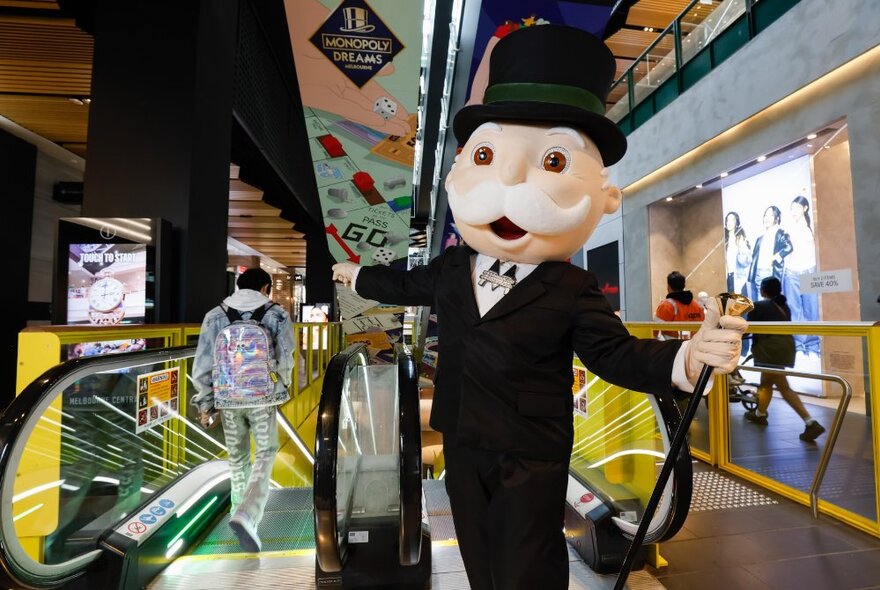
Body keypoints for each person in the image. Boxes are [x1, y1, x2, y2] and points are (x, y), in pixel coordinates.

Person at [331, 25, 746, 590]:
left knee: (529, 564)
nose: (507, 181)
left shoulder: (570, 288)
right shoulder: (454, 267)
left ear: (605, 199)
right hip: (462, 435)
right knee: (480, 556)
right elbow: (410, 286)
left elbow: (614, 354)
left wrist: (687, 360)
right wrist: (360, 275)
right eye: (486, 154)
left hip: (532, 451)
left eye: (552, 161)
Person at [191, 268, 296, 552]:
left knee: (237, 457)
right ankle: (248, 515)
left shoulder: (215, 314)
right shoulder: (276, 314)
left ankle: (239, 512)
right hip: (262, 398)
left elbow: (202, 363)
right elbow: (286, 358)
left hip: (227, 398)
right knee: (265, 453)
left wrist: (205, 403)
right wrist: (279, 386)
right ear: (266, 287)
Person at [744, 277, 825, 442]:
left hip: (769, 349)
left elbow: (747, 328)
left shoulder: (758, 306)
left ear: (764, 289)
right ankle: (760, 414)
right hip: (785, 347)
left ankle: (810, 422)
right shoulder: (783, 306)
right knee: (767, 383)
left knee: (782, 386)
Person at [783, 195, 820, 355]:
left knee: (812, 310)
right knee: (794, 310)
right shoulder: (788, 227)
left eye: (797, 207)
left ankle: (813, 346)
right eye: (792, 208)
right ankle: (798, 345)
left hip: (809, 270)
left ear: (805, 208)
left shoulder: (811, 226)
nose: (794, 211)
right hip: (791, 271)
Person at [748, 205, 792, 300]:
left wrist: (775, 257)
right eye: (765, 215)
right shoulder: (760, 237)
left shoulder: (779, 232)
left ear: (776, 218)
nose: (766, 218)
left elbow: (789, 247)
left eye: (770, 215)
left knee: (768, 305)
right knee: (760, 304)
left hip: (769, 273)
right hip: (757, 274)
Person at [654, 270, 705, 339]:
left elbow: (655, 332)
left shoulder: (666, 306)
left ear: (668, 287)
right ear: (684, 286)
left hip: (673, 347)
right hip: (693, 346)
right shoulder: (697, 306)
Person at [724, 211, 752, 297]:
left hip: (738, 277)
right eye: (728, 220)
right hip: (727, 276)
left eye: (732, 220)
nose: (729, 222)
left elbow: (747, 260)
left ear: (736, 222)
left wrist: (741, 247)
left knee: (741, 305)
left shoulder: (740, 236)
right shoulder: (723, 237)